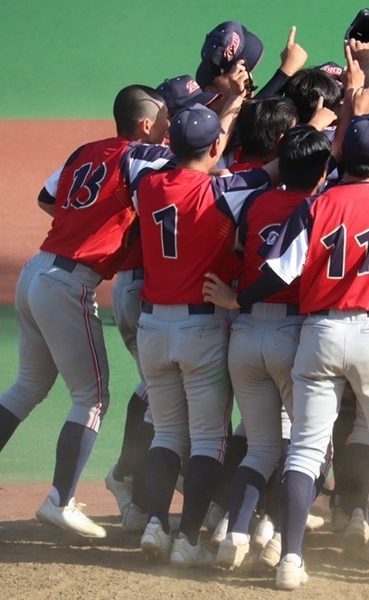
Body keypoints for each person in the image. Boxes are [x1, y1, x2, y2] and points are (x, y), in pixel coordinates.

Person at [202, 108, 369, 590]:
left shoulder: (315, 206)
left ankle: (290, 560)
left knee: (305, 450)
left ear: (342, 157)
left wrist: (239, 298)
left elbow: (279, 270)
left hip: (321, 332)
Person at [0, 85, 170, 538]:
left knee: (29, 384)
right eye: (165, 119)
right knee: (92, 398)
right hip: (69, 283)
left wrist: (96, 221)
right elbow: (191, 173)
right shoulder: (140, 155)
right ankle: (60, 500)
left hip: (35, 272)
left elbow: (47, 197)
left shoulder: (86, 150)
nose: (169, 127)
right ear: (146, 125)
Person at [127, 99, 279, 566]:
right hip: (201, 329)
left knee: (166, 434)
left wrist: (226, 109)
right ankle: (188, 540)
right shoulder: (224, 192)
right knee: (209, 439)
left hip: (152, 325)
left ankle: (156, 522)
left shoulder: (146, 181)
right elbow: (274, 170)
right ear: (217, 146)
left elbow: (145, 155)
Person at [215, 125, 333, 570]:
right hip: (293, 335)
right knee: (312, 446)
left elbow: (240, 248)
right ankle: (279, 536)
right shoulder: (319, 209)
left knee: (261, 447)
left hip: (245, 335)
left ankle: (236, 533)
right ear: (323, 172)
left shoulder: (258, 202)